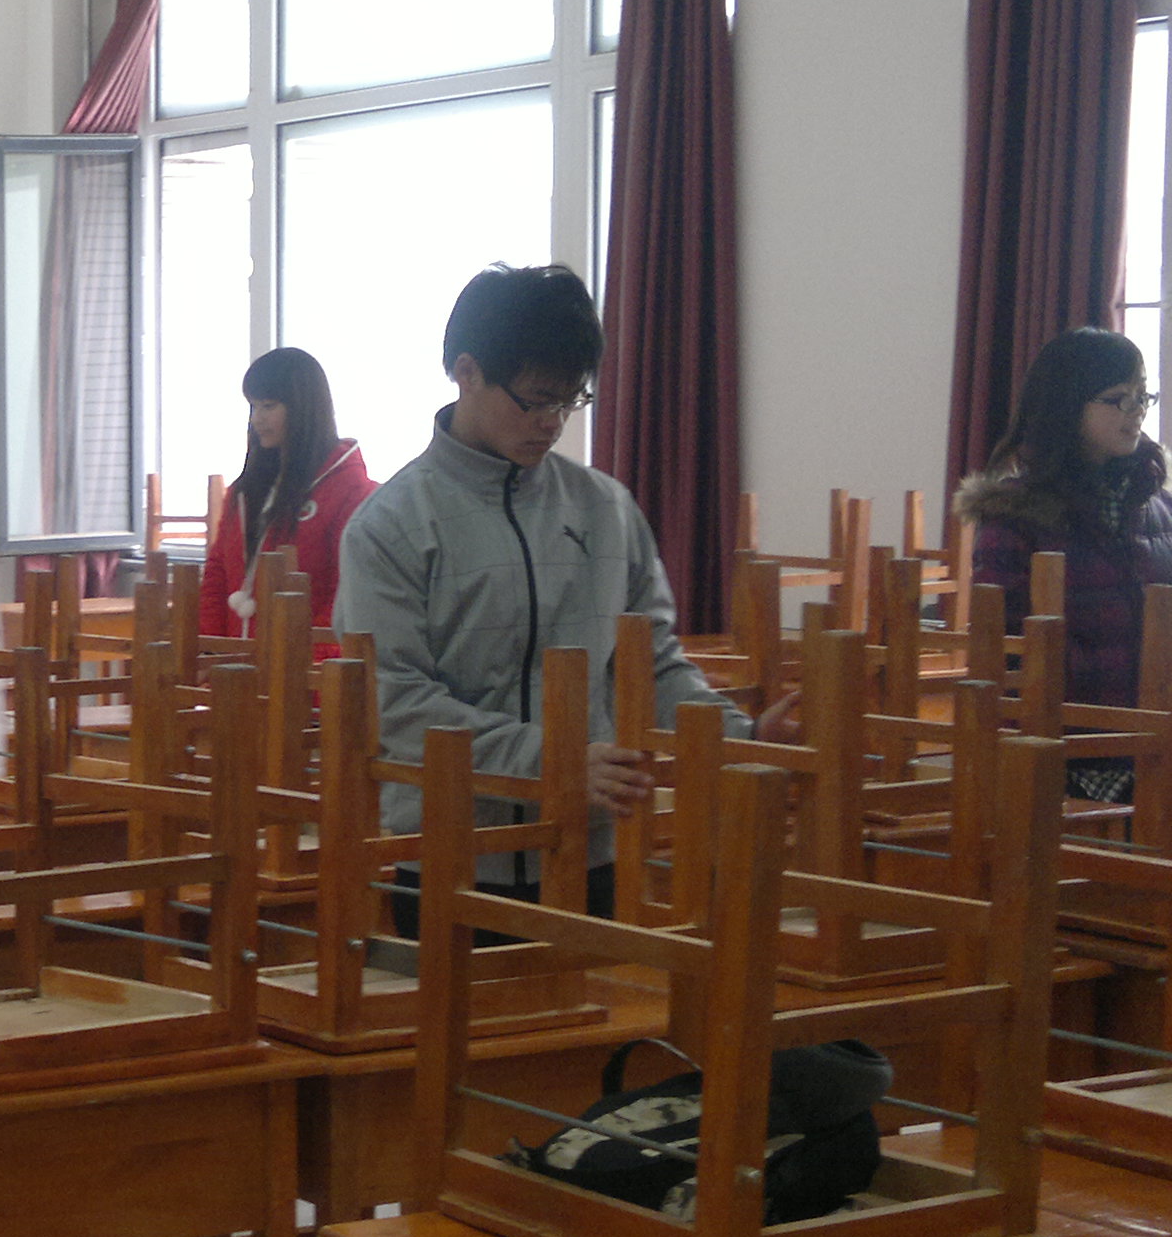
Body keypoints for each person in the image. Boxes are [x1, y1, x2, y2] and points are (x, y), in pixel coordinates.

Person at [340, 264, 797, 915]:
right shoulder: (391, 526)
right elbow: (396, 704)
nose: (552, 422)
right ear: (466, 372)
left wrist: (740, 735)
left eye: (569, 401)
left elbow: (650, 664)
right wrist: (553, 762)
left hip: (591, 849)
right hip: (451, 852)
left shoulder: (604, 508)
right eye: (535, 400)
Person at [953, 326, 1172, 799]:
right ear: (1068, 404)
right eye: (1118, 399)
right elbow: (1003, 651)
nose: (1137, 411)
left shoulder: (1164, 509)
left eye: (1143, 396)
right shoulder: (1016, 514)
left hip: (1162, 742)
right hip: (1060, 748)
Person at [200, 346, 377, 647]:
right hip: (234, 666)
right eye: (253, 407)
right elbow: (217, 576)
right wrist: (210, 651)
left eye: (268, 406)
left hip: (304, 668)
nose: (256, 420)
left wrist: (304, 668)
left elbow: (345, 598)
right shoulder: (245, 490)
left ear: (304, 407)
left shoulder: (352, 492)